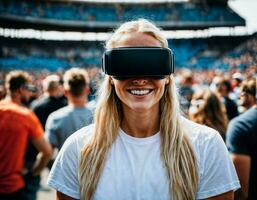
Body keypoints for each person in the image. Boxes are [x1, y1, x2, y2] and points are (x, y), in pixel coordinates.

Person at [48, 19, 239, 200]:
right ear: (111, 78)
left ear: (167, 76)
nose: (140, 78)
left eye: (152, 64)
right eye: (126, 65)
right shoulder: (78, 149)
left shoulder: (206, 145)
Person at [0, 70, 52, 200]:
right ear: (21, 89)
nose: (31, 92)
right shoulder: (25, 116)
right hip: (12, 187)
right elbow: (47, 152)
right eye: (30, 88)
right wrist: (32, 173)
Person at [24, 74, 67, 200]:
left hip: (38, 149)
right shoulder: (63, 105)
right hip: (59, 149)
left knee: (33, 182)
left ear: (45, 88)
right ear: (58, 88)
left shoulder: (37, 105)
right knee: (64, 186)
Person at [45, 68, 93, 151]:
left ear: (65, 92)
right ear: (87, 90)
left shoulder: (56, 118)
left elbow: (47, 151)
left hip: (67, 163)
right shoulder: (101, 115)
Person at [226, 77, 257, 200]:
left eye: (242, 92)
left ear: (249, 96)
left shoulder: (241, 125)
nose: (239, 96)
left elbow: (240, 190)